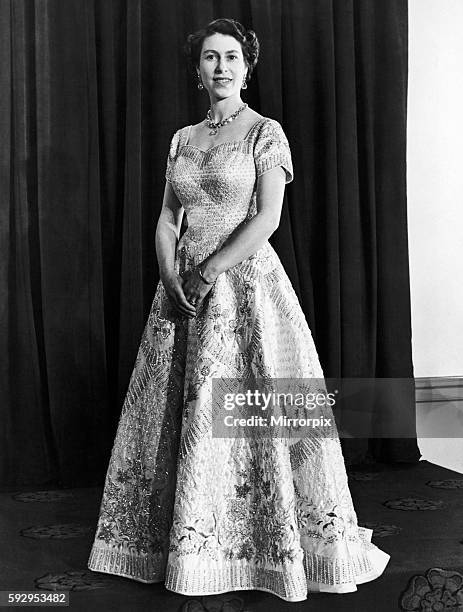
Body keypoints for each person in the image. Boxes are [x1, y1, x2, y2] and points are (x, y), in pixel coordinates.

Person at [87, 18, 391, 603]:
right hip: (180, 293)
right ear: (197, 69)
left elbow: (267, 218)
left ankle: (266, 547)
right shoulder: (182, 138)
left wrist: (208, 271)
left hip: (243, 288)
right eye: (209, 58)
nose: (221, 67)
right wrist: (170, 273)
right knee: (178, 415)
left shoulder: (265, 133)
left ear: (247, 67)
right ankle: (188, 547)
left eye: (231, 57)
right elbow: (167, 218)